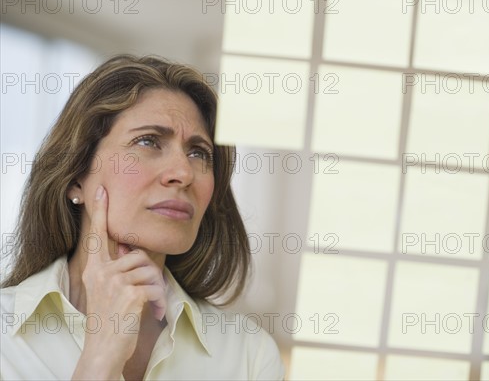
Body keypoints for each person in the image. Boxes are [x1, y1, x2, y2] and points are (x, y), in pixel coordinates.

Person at [0, 55, 285, 380]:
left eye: (198, 152)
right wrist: (100, 358)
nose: (183, 172)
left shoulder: (249, 355)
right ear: (76, 176)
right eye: (148, 141)